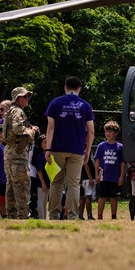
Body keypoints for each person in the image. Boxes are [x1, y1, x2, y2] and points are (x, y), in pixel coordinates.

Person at [44, 76, 95, 221]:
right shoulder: (85, 105)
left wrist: (48, 149)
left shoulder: (55, 103)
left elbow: (50, 128)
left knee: (56, 183)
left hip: (57, 149)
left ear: (65, 87)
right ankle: (72, 215)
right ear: (79, 88)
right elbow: (91, 131)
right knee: (73, 184)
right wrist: (87, 149)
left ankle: (53, 215)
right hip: (77, 150)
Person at [3, 87, 39, 220]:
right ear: (18, 98)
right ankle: (23, 215)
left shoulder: (9, 112)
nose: (27, 99)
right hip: (18, 154)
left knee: (11, 187)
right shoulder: (18, 111)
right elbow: (18, 129)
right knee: (22, 185)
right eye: (25, 97)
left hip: (9, 153)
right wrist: (32, 131)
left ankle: (11, 215)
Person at [94, 121, 125, 220]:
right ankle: (99, 216)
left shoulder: (120, 147)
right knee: (102, 196)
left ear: (116, 133)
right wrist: (96, 175)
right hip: (103, 176)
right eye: (106, 131)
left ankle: (114, 217)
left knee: (113, 197)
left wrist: (121, 176)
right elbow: (97, 161)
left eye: (110, 132)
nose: (108, 134)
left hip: (114, 177)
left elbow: (122, 163)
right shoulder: (101, 146)